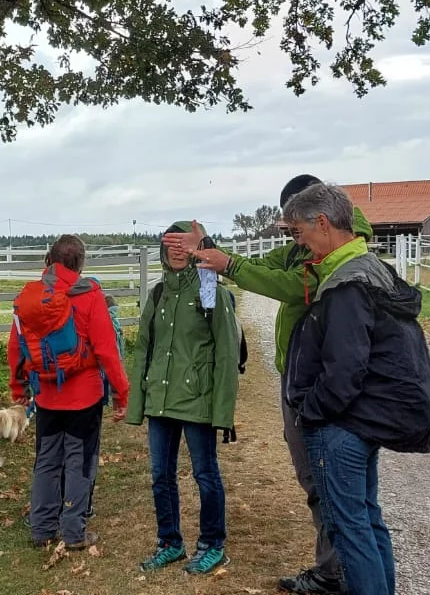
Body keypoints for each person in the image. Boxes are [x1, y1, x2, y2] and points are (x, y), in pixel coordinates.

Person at [163, 173, 372, 594]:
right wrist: (209, 251)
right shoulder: (307, 248)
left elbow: (291, 287)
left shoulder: (335, 259)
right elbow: (263, 268)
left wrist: (229, 265)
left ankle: (339, 575)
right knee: (328, 489)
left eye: (296, 229)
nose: (294, 239)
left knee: (333, 490)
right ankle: (333, 571)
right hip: (302, 379)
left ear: (319, 218)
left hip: (320, 386)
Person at [280, 182, 430, 595]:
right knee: (365, 519)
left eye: (299, 233)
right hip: (363, 421)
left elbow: (344, 368)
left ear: (322, 222)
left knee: (349, 529)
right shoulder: (370, 270)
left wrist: (309, 411)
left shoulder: (347, 284)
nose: (300, 246)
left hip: (342, 426)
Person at [128, 222, 242, 576]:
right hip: (160, 399)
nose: (177, 251)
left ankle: (212, 544)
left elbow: (226, 352)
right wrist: (137, 403)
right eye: (170, 245)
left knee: (205, 474)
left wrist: (222, 412)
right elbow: (144, 347)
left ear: (197, 247)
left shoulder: (210, 290)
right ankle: (170, 543)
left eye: (184, 244)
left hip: (197, 401)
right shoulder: (159, 293)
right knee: (161, 475)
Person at [9, 235, 129, 550]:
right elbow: (106, 349)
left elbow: (16, 346)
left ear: (49, 259)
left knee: (47, 460)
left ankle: (42, 527)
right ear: (80, 262)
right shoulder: (89, 295)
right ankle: (74, 531)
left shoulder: (31, 297)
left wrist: (18, 386)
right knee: (80, 460)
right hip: (84, 394)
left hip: (46, 393)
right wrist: (121, 392)